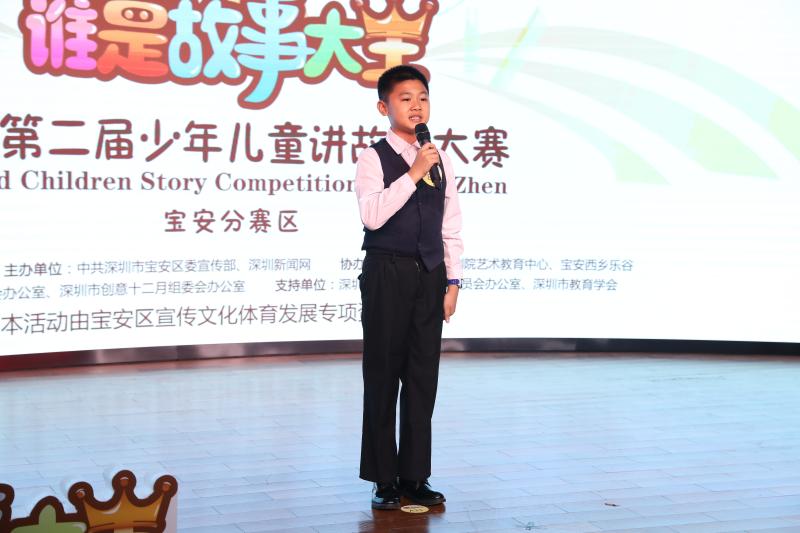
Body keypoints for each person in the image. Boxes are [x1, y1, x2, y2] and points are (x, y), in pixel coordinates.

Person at [354, 64, 464, 510]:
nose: (416, 106)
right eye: (405, 98)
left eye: (422, 98)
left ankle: (415, 476)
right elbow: (372, 216)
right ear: (384, 107)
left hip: (430, 276)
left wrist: (452, 281)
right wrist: (414, 172)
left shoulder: (440, 158)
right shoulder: (373, 158)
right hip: (387, 274)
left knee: (422, 379)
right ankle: (384, 479)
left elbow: (450, 224)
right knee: (383, 375)